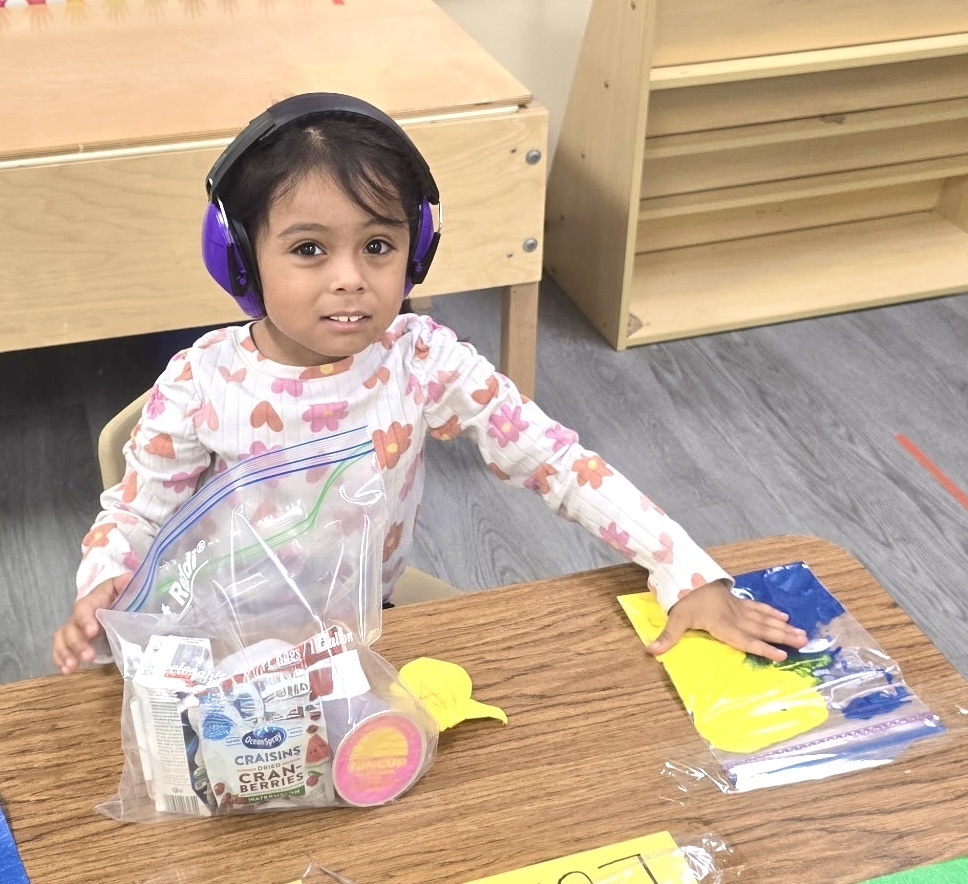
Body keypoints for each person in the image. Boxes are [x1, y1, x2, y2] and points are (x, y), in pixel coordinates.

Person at [52, 93, 806, 675]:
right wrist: (104, 585)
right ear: (239, 259)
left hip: (370, 620)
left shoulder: (424, 361)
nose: (351, 279)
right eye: (309, 248)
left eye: (378, 245)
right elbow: (135, 516)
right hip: (227, 637)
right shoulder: (197, 383)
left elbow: (559, 461)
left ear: (417, 252)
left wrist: (684, 568)